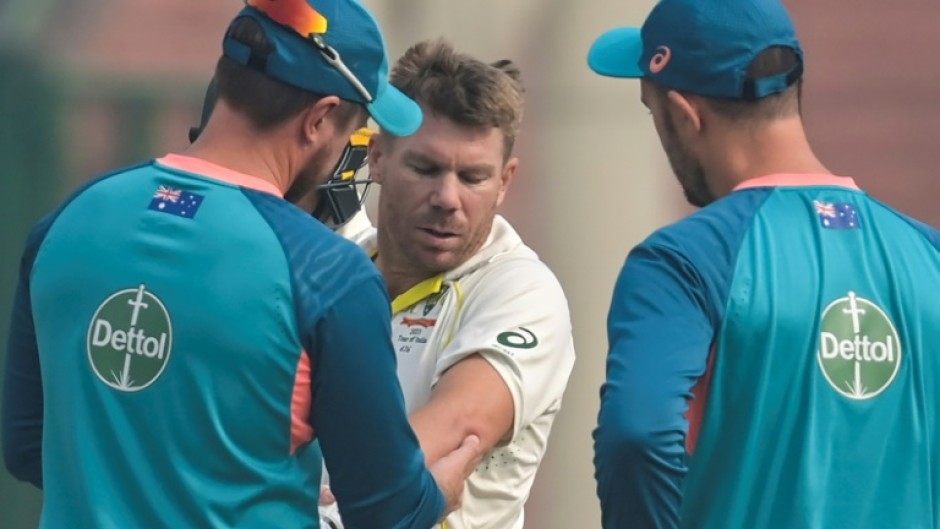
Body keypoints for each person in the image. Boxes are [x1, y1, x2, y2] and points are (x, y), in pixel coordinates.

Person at [1, 1, 483, 528]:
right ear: (320, 118)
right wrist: (439, 489)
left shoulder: (66, 223)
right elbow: (386, 509)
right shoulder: (328, 275)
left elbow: (26, 444)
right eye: (352, 132)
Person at [587, 0, 940, 528]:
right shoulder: (929, 254)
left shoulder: (681, 263)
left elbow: (639, 434)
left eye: (651, 109)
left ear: (685, 114)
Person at [317, 39, 576, 529]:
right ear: (377, 157)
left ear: (505, 181)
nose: (447, 198)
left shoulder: (521, 290)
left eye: (474, 177)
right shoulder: (337, 264)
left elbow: (460, 424)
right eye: (426, 168)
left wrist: (330, 514)